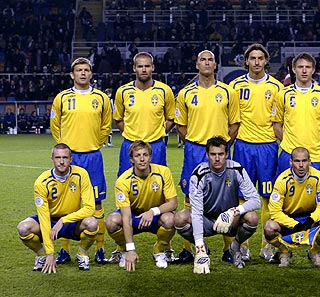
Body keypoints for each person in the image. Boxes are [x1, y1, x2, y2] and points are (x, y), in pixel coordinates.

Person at [175, 50, 240, 262]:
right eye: (202, 59)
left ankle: (228, 249)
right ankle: (190, 248)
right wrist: (195, 142)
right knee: (190, 197)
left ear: (215, 65)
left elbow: (235, 124)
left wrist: (222, 146)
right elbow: (181, 126)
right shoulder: (185, 94)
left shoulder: (228, 92)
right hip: (195, 150)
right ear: (197, 65)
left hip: (220, 151)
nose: (206, 62)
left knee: (227, 197)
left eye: (210, 59)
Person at [50, 57, 112, 265]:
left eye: (86, 70)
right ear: (72, 74)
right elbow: (55, 124)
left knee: (96, 202)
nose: (83, 73)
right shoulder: (61, 98)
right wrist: (65, 149)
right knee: (69, 204)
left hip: (93, 156)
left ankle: (100, 249)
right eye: (79, 70)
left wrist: (96, 143)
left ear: (91, 73)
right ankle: (65, 250)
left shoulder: (101, 98)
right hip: (71, 157)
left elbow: (106, 125)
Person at [174, 136, 261, 273]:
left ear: (226, 154)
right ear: (207, 155)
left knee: (252, 218)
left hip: (230, 220)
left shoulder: (236, 169)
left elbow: (255, 200)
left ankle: (235, 247)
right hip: (206, 220)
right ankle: (204, 250)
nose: (217, 158)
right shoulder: (198, 174)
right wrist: (199, 248)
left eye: (221, 154)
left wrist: (232, 212)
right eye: (213, 154)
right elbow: (196, 213)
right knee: (179, 219)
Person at [229, 43, 284, 261]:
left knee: (268, 198)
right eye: (253, 58)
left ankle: (266, 245)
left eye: (261, 58)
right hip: (242, 146)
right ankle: (243, 245)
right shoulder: (234, 86)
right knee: (242, 198)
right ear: (246, 61)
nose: (257, 62)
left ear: (266, 61)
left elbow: (280, 120)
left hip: (268, 147)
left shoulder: (277, 87)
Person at [17, 143, 98, 273]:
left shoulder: (81, 174)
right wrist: (50, 253)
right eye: (58, 157)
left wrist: (64, 220)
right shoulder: (41, 182)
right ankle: (42, 255)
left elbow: (90, 208)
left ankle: (81, 254)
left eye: (65, 158)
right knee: (23, 228)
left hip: (72, 221)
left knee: (92, 223)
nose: (61, 162)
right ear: (52, 159)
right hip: (50, 220)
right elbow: (43, 218)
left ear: (71, 159)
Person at [105, 140, 178, 271]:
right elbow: (126, 217)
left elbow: (173, 203)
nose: (142, 159)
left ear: (150, 157)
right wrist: (131, 249)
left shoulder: (163, 172)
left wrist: (153, 212)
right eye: (137, 155)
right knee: (111, 221)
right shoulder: (122, 181)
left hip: (155, 216)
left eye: (145, 155)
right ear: (132, 160)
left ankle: (159, 250)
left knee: (171, 219)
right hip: (134, 217)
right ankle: (123, 250)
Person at [272, 52, 320, 184]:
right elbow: (277, 124)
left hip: (315, 155)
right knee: (285, 197)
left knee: (318, 199)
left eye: (308, 67)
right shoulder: (282, 94)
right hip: (288, 154)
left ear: (313, 70)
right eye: (300, 67)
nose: (304, 70)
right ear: (294, 69)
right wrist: (289, 141)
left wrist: (316, 139)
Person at [264, 147, 320, 268]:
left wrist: (312, 219)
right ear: (291, 162)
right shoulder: (282, 180)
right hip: (288, 219)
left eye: (304, 161)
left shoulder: (318, 177)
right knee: (269, 228)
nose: (301, 165)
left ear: (310, 162)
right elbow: (275, 211)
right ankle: (284, 252)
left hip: (309, 219)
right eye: (297, 161)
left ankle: (315, 252)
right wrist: (293, 224)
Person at [114, 52, 175, 176]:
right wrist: (130, 133)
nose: (143, 69)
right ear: (134, 68)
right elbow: (118, 119)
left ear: (152, 67)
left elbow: (171, 118)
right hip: (130, 144)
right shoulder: (123, 91)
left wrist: (160, 133)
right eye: (140, 66)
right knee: (127, 184)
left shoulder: (164, 91)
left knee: (158, 185)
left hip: (156, 145)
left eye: (147, 66)